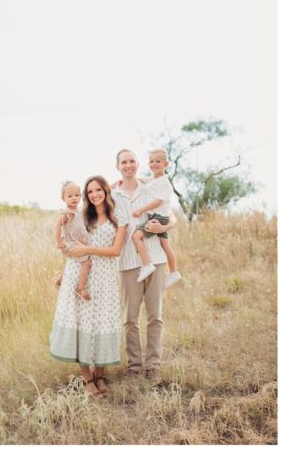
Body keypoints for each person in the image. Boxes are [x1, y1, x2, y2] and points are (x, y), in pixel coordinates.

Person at [49, 175, 128, 396]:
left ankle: (100, 375)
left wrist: (87, 250)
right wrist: (65, 274)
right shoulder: (82, 215)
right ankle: (87, 379)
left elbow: (116, 251)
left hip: (106, 277)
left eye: (98, 190)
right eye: (90, 191)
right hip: (80, 273)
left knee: (103, 323)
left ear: (105, 190)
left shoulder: (118, 217)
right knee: (82, 323)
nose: (94, 195)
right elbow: (69, 242)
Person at [112, 149, 178, 381]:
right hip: (128, 262)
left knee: (155, 316)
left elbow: (171, 215)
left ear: (137, 164)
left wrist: (165, 227)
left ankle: (153, 366)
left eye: (132, 161)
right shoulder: (112, 194)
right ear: (118, 166)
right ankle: (134, 367)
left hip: (156, 259)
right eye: (123, 162)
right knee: (130, 318)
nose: (128, 165)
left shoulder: (150, 187)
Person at [129, 149, 183, 288]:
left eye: (158, 161)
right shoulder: (153, 179)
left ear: (166, 164)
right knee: (165, 245)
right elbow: (143, 180)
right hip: (160, 217)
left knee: (136, 236)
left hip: (158, 218)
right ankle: (174, 272)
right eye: (151, 161)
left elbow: (158, 201)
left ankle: (147, 265)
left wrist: (141, 209)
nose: (154, 164)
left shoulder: (164, 183)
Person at [54, 181, 92, 301]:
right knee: (87, 263)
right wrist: (59, 242)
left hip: (77, 242)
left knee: (76, 261)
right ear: (63, 198)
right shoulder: (67, 213)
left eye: (77, 195)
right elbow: (57, 226)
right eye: (69, 196)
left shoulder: (79, 212)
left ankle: (61, 279)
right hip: (71, 243)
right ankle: (80, 288)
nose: (74, 198)